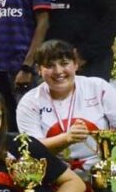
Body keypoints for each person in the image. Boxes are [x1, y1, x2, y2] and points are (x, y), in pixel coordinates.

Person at [16, 40, 116, 175]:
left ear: (75, 64)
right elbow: (32, 149)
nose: (58, 71)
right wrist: (66, 138)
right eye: (49, 66)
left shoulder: (98, 87)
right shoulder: (29, 102)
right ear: (39, 70)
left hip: (104, 172)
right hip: (56, 175)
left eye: (64, 63)